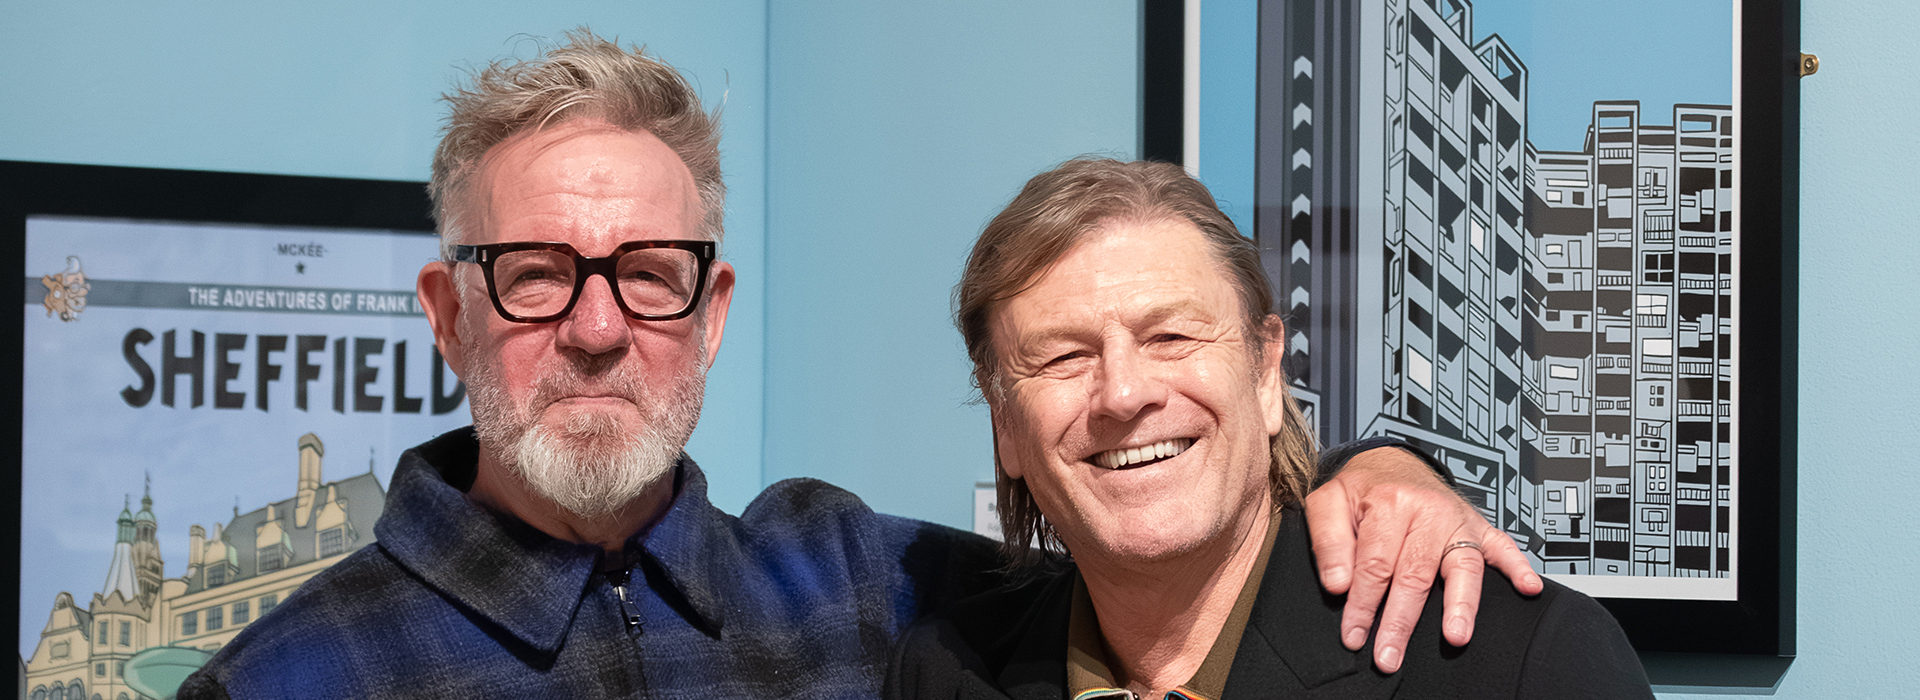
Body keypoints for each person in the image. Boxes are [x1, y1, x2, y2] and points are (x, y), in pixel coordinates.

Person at [179, 33, 1537, 699]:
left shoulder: (855, 586)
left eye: (648, 272)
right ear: (448, 312)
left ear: (711, 312)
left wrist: (1374, 469)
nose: (596, 328)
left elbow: (1139, 530)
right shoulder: (285, 681)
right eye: (535, 273)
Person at [885, 158, 1652, 699]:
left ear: (1264, 372)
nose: (1122, 393)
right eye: (1063, 356)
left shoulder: (1522, 663)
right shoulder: (942, 673)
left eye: (1171, 336)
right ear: (1007, 426)